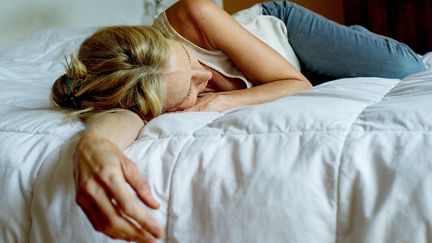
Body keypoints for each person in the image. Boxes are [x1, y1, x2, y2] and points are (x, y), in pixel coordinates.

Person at [50, 0, 426, 242]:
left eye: (194, 64)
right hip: (283, 73)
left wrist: (218, 102)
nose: (204, 80)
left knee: (403, 67)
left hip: (283, 34)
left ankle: (345, 43)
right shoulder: (140, 90)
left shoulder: (196, 14)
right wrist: (96, 144)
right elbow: (118, 119)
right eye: (189, 92)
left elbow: (297, 84)